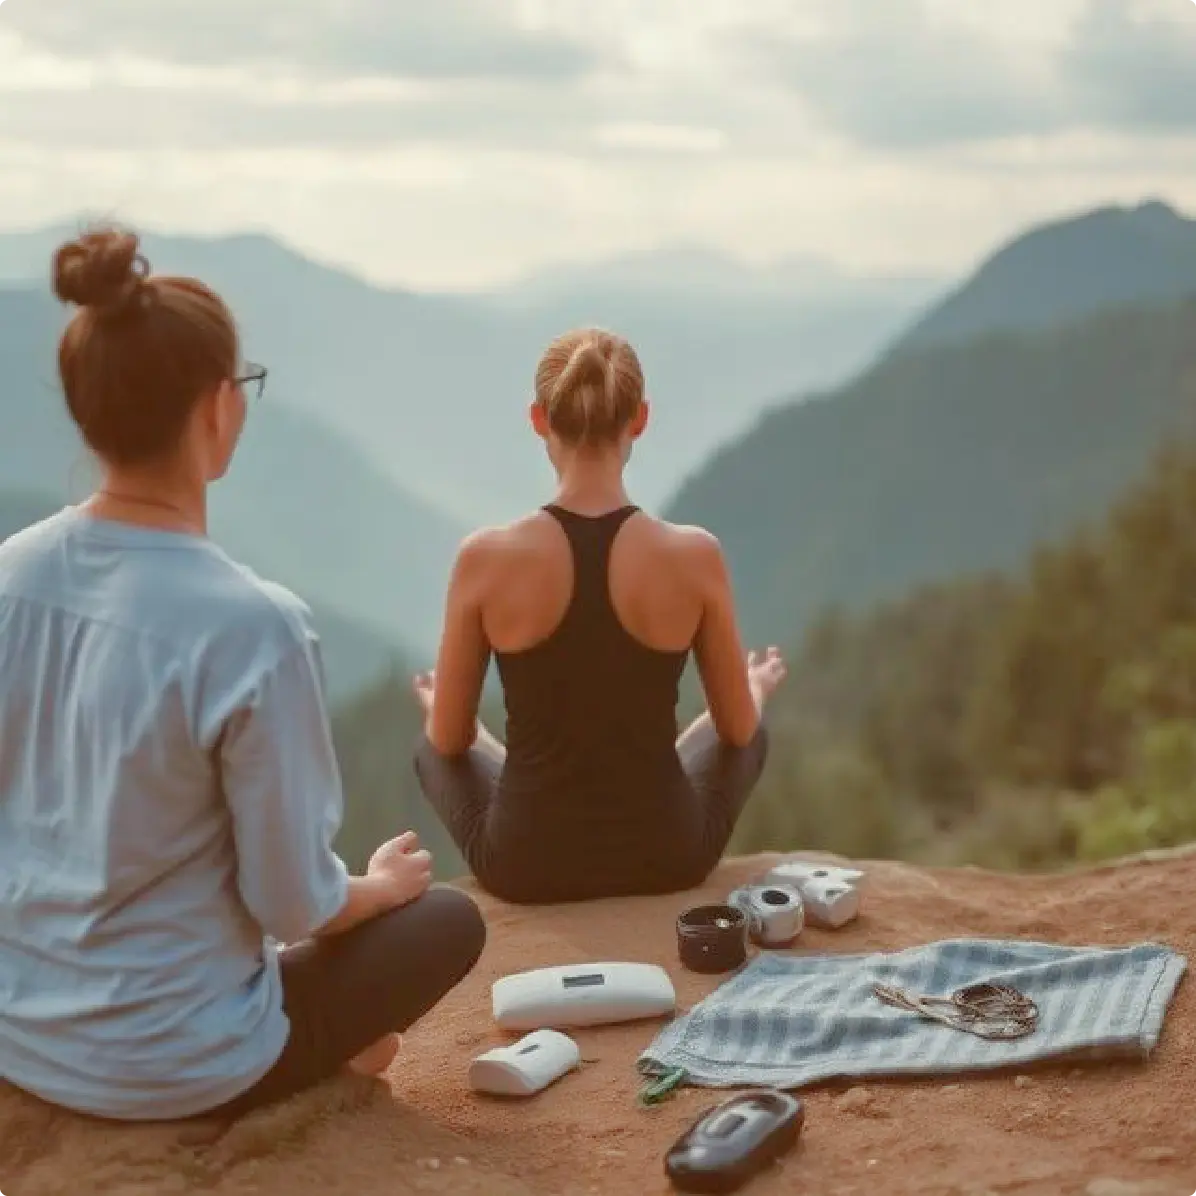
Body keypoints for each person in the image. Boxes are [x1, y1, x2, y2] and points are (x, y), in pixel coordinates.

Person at [0, 227, 485, 1123]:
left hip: (22, 1032)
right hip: (174, 1064)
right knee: (449, 923)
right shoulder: (255, 627)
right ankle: (329, 1058)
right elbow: (292, 900)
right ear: (217, 408)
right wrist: (375, 890)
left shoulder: (11, 575)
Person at [413, 327, 787, 904]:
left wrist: (456, 718)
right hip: (667, 856)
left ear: (539, 419)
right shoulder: (695, 556)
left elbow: (450, 738)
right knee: (749, 729)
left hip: (527, 865)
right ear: (639, 419)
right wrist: (754, 688)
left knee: (430, 746)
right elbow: (736, 730)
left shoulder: (483, 559)